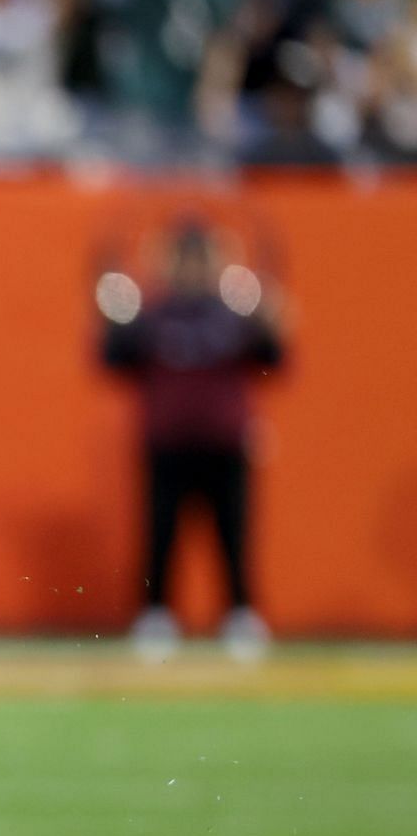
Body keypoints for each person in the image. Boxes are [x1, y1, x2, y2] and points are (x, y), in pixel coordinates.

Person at [104, 221, 284, 661]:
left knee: (233, 534)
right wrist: (110, 320)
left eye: (199, 257)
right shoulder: (151, 314)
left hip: (225, 444)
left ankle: (240, 614)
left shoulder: (234, 315)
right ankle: (155, 614)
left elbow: (272, 359)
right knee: (161, 534)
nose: (191, 267)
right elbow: (114, 360)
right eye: (184, 257)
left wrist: (274, 322)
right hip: (167, 444)